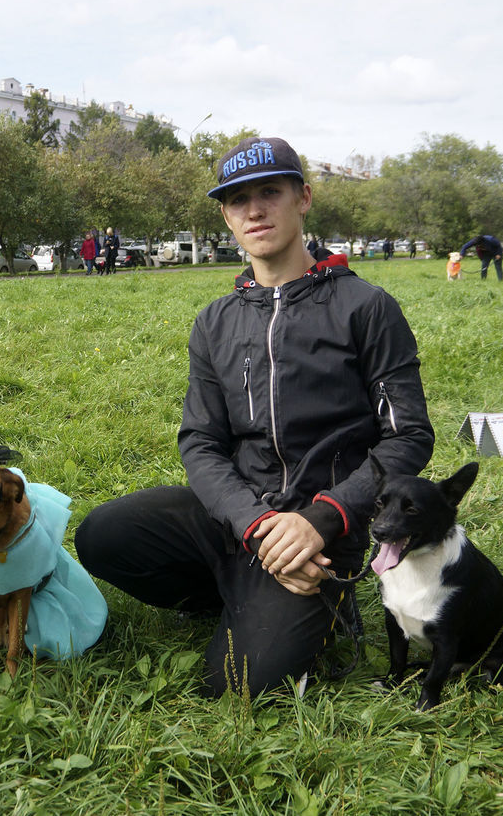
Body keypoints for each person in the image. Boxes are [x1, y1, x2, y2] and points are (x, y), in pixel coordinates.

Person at [75, 136, 434, 699]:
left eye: (271, 192)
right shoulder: (214, 320)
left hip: (321, 533)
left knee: (239, 686)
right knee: (103, 535)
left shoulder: (365, 307)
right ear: (225, 214)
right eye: (238, 200)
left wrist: (323, 518)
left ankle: (318, 597)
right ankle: (238, 590)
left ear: (303, 199)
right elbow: (200, 440)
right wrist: (255, 525)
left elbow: (408, 435)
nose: (255, 210)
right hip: (240, 520)